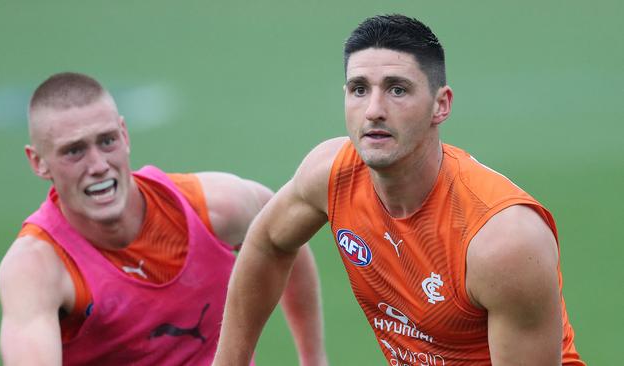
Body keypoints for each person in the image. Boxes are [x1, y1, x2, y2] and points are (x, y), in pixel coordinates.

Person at [212, 14, 585, 366]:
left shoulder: (503, 241)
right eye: (359, 90)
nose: (374, 109)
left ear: (441, 105)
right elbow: (268, 243)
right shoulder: (330, 173)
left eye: (397, 89)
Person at [0, 72, 328, 366]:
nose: (98, 164)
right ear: (38, 162)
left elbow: (285, 239)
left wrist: (313, 359)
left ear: (125, 136)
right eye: (74, 151)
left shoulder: (216, 208)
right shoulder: (35, 269)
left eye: (107, 141)